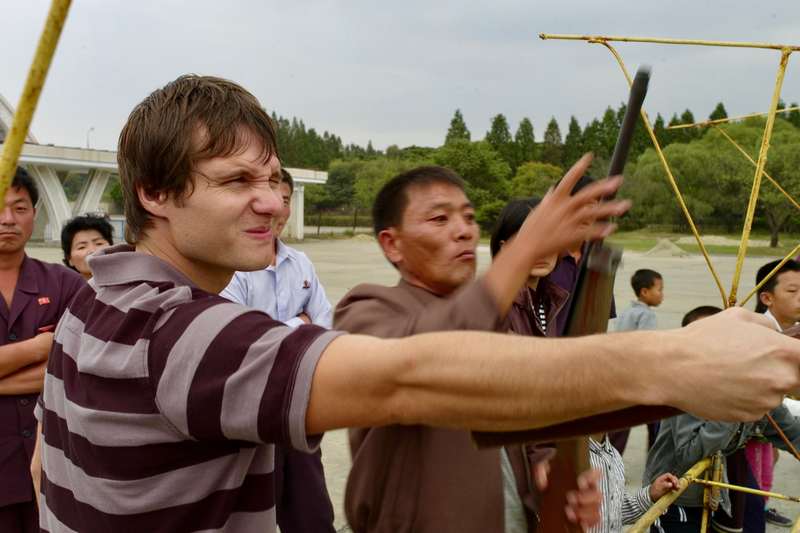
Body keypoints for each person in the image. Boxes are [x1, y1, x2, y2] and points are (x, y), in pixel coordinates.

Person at [34, 75, 800, 533]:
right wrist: (669, 361)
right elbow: (413, 374)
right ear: (155, 194)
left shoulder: (94, 300)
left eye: (277, 180)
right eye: (238, 182)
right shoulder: (189, 331)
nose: (269, 202)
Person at [491, 198, 679, 533]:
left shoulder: (548, 300)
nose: (541, 249)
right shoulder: (496, 307)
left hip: (543, 450)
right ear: (504, 245)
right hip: (506, 463)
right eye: (528, 239)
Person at [222, 168, 335, 532]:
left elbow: (328, 322)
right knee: (255, 513)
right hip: (249, 416)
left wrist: (280, 330)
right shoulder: (231, 268)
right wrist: (299, 325)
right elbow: (237, 343)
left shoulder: (300, 263)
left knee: (312, 512)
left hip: (296, 407)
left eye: (284, 199)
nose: (275, 208)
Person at [644, 305, 800, 533]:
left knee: (753, 516)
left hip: (720, 490)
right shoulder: (688, 387)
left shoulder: (754, 386)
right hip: (676, 494)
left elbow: (791, 433)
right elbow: (690, 453)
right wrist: (735, 404)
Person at [0, 168, 85, 532]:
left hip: (55, 465)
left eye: (20, 208)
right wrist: (41, 347)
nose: (7, 219)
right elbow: (57, 359)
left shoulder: (65, 283)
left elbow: (79, 364)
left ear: (35, 213)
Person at [749, 259, 800, 528]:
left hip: (767, 425)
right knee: (748, 498)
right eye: (792, 292)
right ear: (767, 297)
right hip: (742, 432)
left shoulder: (784, 331)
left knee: (768, 462)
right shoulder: (759, 334)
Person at [610, 268, 665, 454]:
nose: (662, 295)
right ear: (645, 292)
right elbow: (645, 346)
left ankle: (608, 458)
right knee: (654, 421)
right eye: (659, 290)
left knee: (619, 424)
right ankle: (655, 459)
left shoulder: (627, 312)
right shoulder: (646, 315)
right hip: (636, 376)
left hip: (618, 372)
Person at [60, 214, 114, 279]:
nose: (92, 251)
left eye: (99, 243)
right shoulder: (61, 288)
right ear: (69, 259)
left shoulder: (128, 286)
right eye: (82, 247)